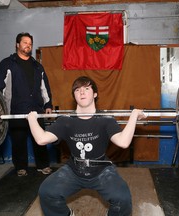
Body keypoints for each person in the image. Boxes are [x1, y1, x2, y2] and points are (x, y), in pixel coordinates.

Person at [27, 76, 147, 216]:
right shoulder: (65, 121)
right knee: (46, 191)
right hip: (74, 170)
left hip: (101, 170)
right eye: (77, 90)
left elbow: (123, 142)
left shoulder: (105, 120)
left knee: (123, 198)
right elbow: (41, 139)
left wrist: (133, 117)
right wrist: (32, 119)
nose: (82, 92)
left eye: (86, 89)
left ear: (95, 94)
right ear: (74, 96)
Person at [0, 32, 53, 177]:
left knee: (40, 140)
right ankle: (21, 167)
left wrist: (48, 105)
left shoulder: (37, 66)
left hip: (36, 109)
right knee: (18, 140)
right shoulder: (7, 63)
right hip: (16, 110)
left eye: (30, 43)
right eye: (25, 42)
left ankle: (43, 165)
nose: (28, 45)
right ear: (17, 44)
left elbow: (44, 87)